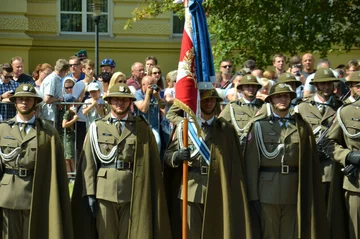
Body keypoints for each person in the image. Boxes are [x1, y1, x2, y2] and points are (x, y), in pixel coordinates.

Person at [71, 83, 171, 239]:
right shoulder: (97, 127)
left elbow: (151, 162)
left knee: (130, 234)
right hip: (104, 192)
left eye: (124, 100)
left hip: (132, 190)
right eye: (116, 99)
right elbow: (89, 163)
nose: (120, 103)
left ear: (130, 102)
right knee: (106, 234)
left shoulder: (141, 128)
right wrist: (89, 193)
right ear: (109, 102)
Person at [244, 82, 329, 239]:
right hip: (267, 190)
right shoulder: (259, 126)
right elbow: (251, 164)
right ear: (271, 100)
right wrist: (253, 195)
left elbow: (308, 161)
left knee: (291, 233)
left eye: (286, 96)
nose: (282, 99)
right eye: (278, 96)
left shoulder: (301, 126)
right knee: (269, 233)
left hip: (294, 188)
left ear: (290, 99)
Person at [164, 89, 252, 239]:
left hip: (218, 186)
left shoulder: (226, 129)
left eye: (212, 100)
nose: (209, 103)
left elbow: (234, 162)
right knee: (191, 233)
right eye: (205, 100)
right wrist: (177, 157)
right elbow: (167, 156)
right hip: (191, 188)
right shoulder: (186, 127)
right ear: (197, 102)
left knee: (216, 231)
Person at [0, 84, 73, 238]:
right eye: (20, 99)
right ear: (15, 102)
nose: (24, 102)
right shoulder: (3, 129)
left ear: (35, 102)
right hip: (7, 195)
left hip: (36, 193)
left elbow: (57, 168)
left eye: (28, 99)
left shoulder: (48, 132)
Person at [296, 68, 343, 205]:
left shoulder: (340, 106)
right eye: (323, 84)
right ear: (316, 85)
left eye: (329, 83)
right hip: (309, 165)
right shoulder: (302, 107)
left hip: (331, 166)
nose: (327, 87)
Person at [323, 71, 360, 238]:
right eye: (358, 85)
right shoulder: (345, 112)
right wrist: (347, 156)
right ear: (351, 87)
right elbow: (328, 143)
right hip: (357, 184)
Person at [220, 74, 264, 153]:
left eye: (253, 86)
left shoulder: (264, 106)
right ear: (241, 88)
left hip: (259, 148)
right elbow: (220, 125)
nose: (251, 88)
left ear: (257, 88)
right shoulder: (233, 106)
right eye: (247, 86)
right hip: (239, 148)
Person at [134, 75, 164, 151]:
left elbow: (162, 107)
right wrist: (147, 94)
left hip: (154, 127)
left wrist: (157, 97)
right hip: (140, 126)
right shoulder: (137, 94)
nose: (153, 86)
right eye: (151, 84)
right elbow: (143, 109)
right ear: (143, 85)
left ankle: (156, 162)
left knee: (157, 142)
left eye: (154, 83)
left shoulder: (157, 92)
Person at [40, 58, 70, 125]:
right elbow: (47, 99)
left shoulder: (57, 79)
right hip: (48, 116)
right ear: (65, 71)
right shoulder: (52, 79)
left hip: (51, 115)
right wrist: (59, 100)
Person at [61, 93, 78, 179]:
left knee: (68, 156)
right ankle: (71, 174)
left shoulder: (68, 112)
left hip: (68, 136)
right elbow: (64, 125)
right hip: (67, 137)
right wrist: (74, 120)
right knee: (69, 156)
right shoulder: (67, 112)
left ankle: (71, 174)